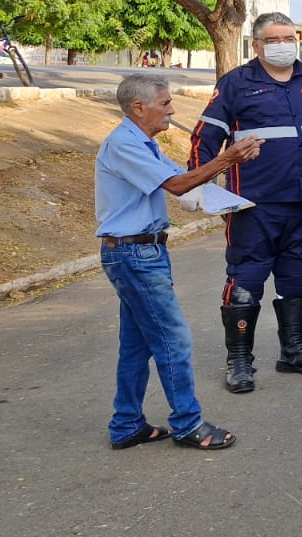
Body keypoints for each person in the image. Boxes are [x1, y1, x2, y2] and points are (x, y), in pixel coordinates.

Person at [190, 12, 302, 394]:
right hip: (253, 203)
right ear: (257, 45)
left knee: (299, 274)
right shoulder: (236, 83)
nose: (284, 44)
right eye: (274, 38)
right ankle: (239, 362)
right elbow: (205, 136)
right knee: (247, 277)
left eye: (289, 37)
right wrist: (197, 182)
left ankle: (293, 351)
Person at [97, 74, 262, 450]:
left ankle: (126, 424)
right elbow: (178, 186)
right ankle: (187, 423)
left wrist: (216, 187)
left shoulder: (142, 142)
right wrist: (227, 158)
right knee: (173, 338)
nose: (172, 109)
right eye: (165, 103)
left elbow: (183, 179)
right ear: (139, 108)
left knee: (136, 344)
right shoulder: (125, 143)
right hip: (134, 253)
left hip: (141, 250)